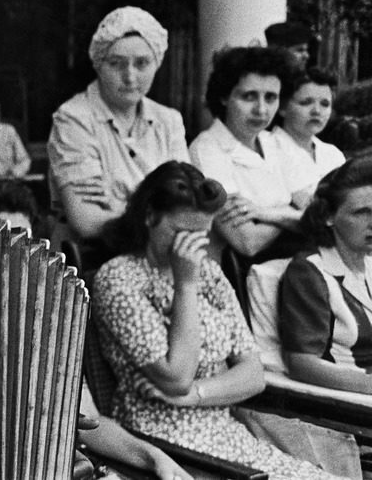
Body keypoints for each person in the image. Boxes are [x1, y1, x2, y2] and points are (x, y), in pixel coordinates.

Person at [94, 161, 342, 479]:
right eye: (182, 232)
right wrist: (186, 285)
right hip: (164, 445)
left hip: (228, 434)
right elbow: (176, 377)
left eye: (202, 234)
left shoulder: (208, 271)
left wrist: (194, 395)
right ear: (150, 216)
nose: (191, 246)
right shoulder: (119, 278)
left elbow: (253, 375)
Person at [0, 177, 192, 480]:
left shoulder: (43, 320)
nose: (12, 261)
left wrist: (153, 457)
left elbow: (91, 422)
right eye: (0, 246)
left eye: (23, 246)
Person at [47, 6, 189, 271]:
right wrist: (161, 215)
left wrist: (118, 207)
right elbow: (86, 221)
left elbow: (187, 204)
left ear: (157, 62)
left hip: (162, 260)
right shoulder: (74, 119)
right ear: (99, 63)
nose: (130, 76)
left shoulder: (168, 121)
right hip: (88, 263)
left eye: (142, 63)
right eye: (117, 63)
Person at [189, 46, 301, 259]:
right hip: (239, 275)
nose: (261, 110)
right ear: (224, 96)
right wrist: (292, 212)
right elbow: (246, 241)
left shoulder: (276, 143)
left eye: (270, 98)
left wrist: (264, 213)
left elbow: (321, 213)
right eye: (249, 97)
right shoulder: (207, 151)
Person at [279, 157, 372, 395]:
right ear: (328, 217)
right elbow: (301, 364)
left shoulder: (369, 261)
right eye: (362, 212)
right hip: (351, 404)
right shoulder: (309, 273)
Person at [269, 67, 346, 210]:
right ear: (282, 108)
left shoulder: (333, 154)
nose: (317, 111)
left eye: (325, 104)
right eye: (306, 102)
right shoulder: (267, 148)